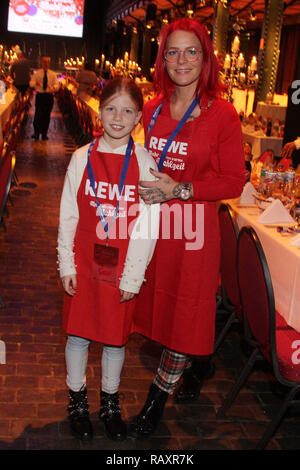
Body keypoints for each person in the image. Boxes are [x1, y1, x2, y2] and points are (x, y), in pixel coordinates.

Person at [130, 18, 245, 438]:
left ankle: (155, 401)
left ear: (206, 57)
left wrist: (182, 188)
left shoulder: (222, 115)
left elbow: (234, 181)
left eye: (191, 51)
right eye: (173, 52)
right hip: (157, 229)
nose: (182, 60)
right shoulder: (151, 108)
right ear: (162, 59)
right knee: (161, 306)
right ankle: (202, 360)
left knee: (186, 313)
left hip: (195, 233)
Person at [57, 78, 159, 442]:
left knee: (116, 340)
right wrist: (66, 264)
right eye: (111, 108)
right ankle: (77, 399)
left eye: (127, 111)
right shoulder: (81, 157)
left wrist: (134, 277)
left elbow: (148, 224)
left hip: (122, 267)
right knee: (79, 336)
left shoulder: (145, 163)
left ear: (138, 119)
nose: (118, 117)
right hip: (84, 262)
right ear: (99, 112)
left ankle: (110, 401)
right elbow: (69, 214)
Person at [29, 56, 59, 140]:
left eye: (48, 62)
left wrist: (54, 88)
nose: (46, 64)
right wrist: (35, 82)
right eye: (45, 62)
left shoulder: (53, 74)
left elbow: (57, 85)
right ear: (41, 63)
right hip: (40, 96)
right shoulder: (37, 73)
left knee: (46, 116)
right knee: (38, 115)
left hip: (49, 97)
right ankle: (36, 133)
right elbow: (31, 83)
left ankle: (44, 134)